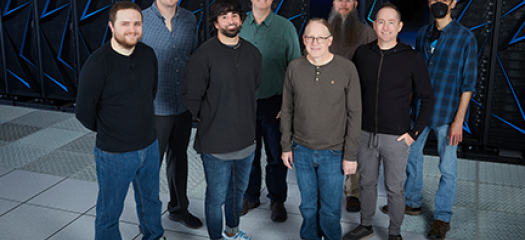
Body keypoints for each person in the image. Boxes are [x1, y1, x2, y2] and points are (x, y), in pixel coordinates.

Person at [343, 3, 434, 240]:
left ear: (400, 26)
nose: (385, 27)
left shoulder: (412, 57)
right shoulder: (362, 54)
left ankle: (394, 233)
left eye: (391, 22)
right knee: (367, 184)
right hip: (364, 134)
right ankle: (366, 225)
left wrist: (414, 133)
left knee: (394, 189)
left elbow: (427, 98)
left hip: (396, 137)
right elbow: (351, 92)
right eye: (380, 21)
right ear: (374, 25)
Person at [75, 2, 165, 240]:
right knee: (109, 210)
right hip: (114, 153)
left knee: (151, 201)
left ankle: (154, 236)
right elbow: (83, 112)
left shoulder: (148, 55)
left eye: (137, 23)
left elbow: (150, 93)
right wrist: (112, 128)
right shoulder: (97, 65)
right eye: (125, 23)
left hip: (149, 145)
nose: (132, 29)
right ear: (111, 26)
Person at [182, 0, 262, 239]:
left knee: (238, 193)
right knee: (216, 196)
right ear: (216, 22)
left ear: (241, 19)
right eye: (224, 17)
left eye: (234, 16)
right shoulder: (203, 55)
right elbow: (190, 97)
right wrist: (212, 117)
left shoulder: (253, 53)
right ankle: (215, 237)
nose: (230, 21)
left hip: (246, 140)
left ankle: (232, 232)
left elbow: (253, 85)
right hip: (215, 144)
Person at [280, 18, 362, 240]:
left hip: (334, 152)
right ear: (304, 40)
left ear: (330, 41)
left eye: (320, 37)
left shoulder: (346, 68)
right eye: (310, 37)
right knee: (307, 206)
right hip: (302, 150)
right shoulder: (295, 67)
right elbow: (287, 110)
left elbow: (355, 115)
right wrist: (286, 146)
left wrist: (351, 155)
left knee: (330, 209)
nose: (315, 42)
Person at [402, 0, 477, 239]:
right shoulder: (424, 32)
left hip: (447, 114)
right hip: (420, 111)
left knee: (448, 168)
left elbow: (468, 84)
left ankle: (442, 218)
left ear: (453, 2)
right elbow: (417, 72)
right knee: (412, 159)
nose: (439, 3)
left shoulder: (465, 38)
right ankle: (412, 203)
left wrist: (459, 120)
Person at [140, 0, 202, 228]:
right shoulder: (141, 19)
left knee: (179, 158)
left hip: (182, 105)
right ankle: (148, 220)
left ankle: (178, 209)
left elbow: (192, 58)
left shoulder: (189, 19)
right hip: (154, 107)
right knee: (149, 166)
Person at [238, 0, 301, 222]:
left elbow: (295, 69)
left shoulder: (285, 27)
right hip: (244, 103)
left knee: (276, 156)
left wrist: (289, 105)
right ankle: (250, 195)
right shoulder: (239, 23)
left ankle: (277, 199)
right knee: (248, 154)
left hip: (275, 104)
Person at [328, 0, 377, 213]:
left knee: (352, 147)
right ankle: (328, 189)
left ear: (356, 4)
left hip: (355, 100)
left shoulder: (367, 34)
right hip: (326, 100)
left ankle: (352, 193)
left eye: (349, 0)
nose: (344, 3)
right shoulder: (322, 30)